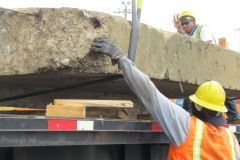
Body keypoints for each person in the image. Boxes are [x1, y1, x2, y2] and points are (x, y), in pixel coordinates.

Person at [91, 36, 240, 159]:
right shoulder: (232, 140)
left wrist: (121, 59)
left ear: (198, 106)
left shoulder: (186, 126)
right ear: (219, 110)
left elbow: (150, 94)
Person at [177, 10, 240, 121]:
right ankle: (188, 117)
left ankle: (235, 117)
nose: (184, 25)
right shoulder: (187, 35)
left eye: (186, 22)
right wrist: (182, 34)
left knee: (221, 90)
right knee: (191, 91)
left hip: (211, 65)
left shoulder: (202, 30)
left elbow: (207, 47)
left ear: (193, 21)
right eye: (182, 23)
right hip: (199, 68)